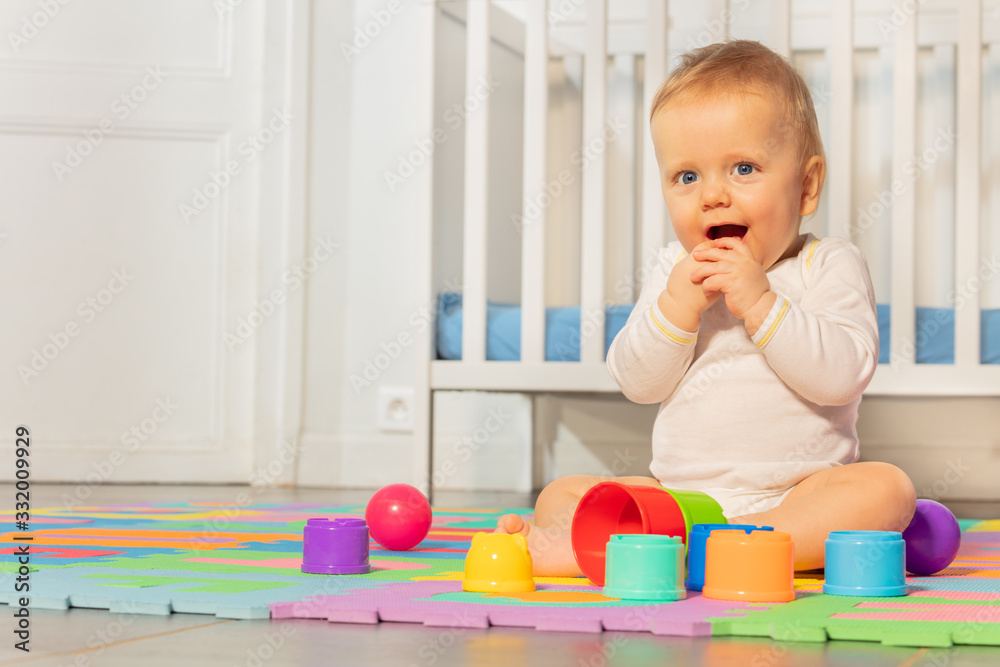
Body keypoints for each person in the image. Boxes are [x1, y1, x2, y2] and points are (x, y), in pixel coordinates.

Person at [496, 40, 916, 577]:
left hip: (796, 495)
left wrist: (762, 304)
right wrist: (676, 308)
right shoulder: (676, 270)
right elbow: (638, 382)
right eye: (687, 177)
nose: (712, 195)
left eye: (743, 168)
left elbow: (842, 376)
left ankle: (690, 551)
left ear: (807, 186)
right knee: (561, 495)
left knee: (884, 490)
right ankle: (684, 547)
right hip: (681, 500)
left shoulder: (825, 263)